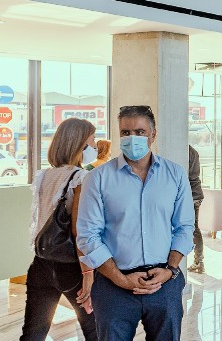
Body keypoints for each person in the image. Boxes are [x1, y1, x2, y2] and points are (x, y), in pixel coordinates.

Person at [77, 105, 194, 341]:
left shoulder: (175, 174)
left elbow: (185, 227)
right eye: (126, 133)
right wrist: (120, 279)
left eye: (140, 132)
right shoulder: (98, 178)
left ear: (153, 135)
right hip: (113, 286)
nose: (132, 138)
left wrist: (170, 269)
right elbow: (88, 235)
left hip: (164, 283)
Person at [20, 118, 98, 341]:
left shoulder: (44, 175)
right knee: (96, 331)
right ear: (80, 144)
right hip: (72, 266)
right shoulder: (81, 177)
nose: (95, 147)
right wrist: (88, 273)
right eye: (93, 141)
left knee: (33, 333)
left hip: (42, 262)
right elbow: (79, 230)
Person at [187, 145, 205, 275]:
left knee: (193, 229)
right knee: (194, 228)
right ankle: (199, 261)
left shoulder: (182, 151)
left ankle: (198, 262)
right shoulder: (193, 151)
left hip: (191, 195)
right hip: (196, 194)